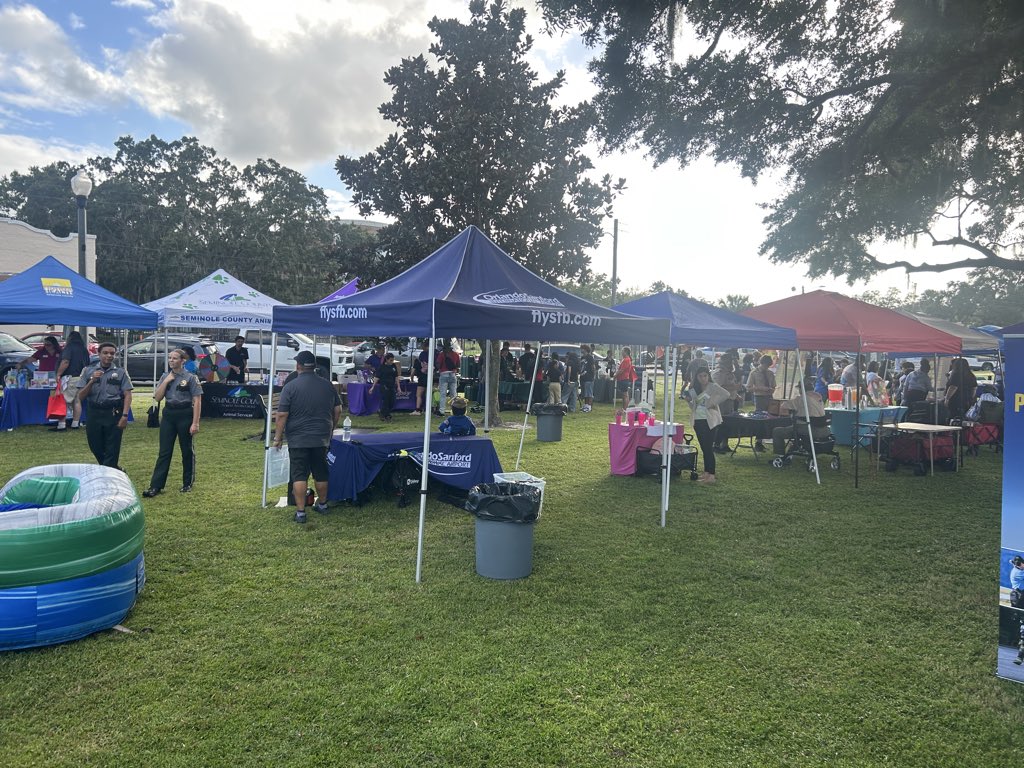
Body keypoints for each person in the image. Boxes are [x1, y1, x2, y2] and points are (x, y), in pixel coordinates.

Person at [273, 350, 342, 524]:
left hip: (298, 438)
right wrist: (331, 428)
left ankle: (301, 512)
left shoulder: (290, 386)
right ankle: (323, 504)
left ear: (298, 366)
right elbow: (338, 410)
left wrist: (278, 437)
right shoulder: (328, 385)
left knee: (299, 474)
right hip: (321, 437)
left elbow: (281, 415)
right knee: (321, 472)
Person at [142, 348, 203, 497]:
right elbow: (157, 398)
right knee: (164, 451)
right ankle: (156, 486)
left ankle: (187, 483)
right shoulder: (165, 376)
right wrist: (167, 380)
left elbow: (197, 400)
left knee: (186, 450)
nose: (171, 360)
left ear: (183, 361)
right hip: (169, 414)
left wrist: (195, 423)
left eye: (175, 358)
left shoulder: (190, 377)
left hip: (185, 414)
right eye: (170, 358)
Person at [78, 342, 133, 469]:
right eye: (105, 353)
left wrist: (125, 415)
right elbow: (80, 396)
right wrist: (92, 381)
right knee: (95, 445)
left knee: (112, 446)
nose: (109, 356)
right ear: (99, 354)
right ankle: (114, 468)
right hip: (94, 411)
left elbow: (128, 395)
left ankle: (109, 472)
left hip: (113, 411)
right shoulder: (88, 371)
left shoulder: (120, 372)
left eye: (112, 353)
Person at [684, 369, 730, 484]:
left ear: (708, 376)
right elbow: (693, 407)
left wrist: (713, 402)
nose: (703, 378)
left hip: (710, 420)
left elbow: (726, 394)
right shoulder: (694, 389)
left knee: (708, 448)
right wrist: (688, 401)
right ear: (696, 377)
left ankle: (712, 474)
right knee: (704, 448)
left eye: (705, 376)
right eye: (700, 376)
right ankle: (706, 472)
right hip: (698, 420)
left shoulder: (713, 386)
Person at [772, 391, 829, 455]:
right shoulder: (819, 398)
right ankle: (794, 448)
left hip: (810, 430)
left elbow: (784, 406)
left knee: (777, 431)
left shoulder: (801, 399)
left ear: (801, 389)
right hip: (824, 430)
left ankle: (780, 455)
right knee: (799, 428)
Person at [54, 331, 89, 431]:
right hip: (82, 377)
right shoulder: (84, 349)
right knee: (77, 401)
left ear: (70, 338)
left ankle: (62, 424)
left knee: (63, 401)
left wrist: (59, 374)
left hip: (70, 378)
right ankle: (75, 423)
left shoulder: (69, 348)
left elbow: (65, 361)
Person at [712, 353, 741, 452]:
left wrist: (736, 395)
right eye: (730, 361)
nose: (731, 364)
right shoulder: (719, 373)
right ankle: (716, 445)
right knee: (721, 424)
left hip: (730, 401)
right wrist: (733, 388)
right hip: (722, 402)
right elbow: (716, 388)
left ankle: (724, 444)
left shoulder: (729, 373)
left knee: (728, 424)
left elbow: (731, 385)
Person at [370, 351, 400, 421]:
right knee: (386, 401)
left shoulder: (393, 366)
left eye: (393, 360)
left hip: (392, 386)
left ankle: (382, 412)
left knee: (392, 401)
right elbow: (377, 377)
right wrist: (372, 387)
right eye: (390, 360)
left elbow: (396, 377)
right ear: (386, 359)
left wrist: (398, 386)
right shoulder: (382, 367)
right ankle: (387, 415)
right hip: (384, 386)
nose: (392, 362)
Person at [435, 340, 460, 415]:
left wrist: (438, 369)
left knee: (443, 394)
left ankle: (442, 411)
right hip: (453, 374)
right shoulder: (456, 354)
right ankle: (456, 410)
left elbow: (438, 364)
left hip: (444, 374)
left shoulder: (442, 354)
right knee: (453, 394)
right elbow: (458, 365)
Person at [412, 340, 430, 415]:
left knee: (419, 394)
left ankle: (418, 409)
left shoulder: (423, 354)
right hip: (433, 376)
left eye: (422, 345)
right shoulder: (435, 353)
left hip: (423, 377)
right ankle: (429, 409)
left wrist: (412, 377)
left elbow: (421, 365)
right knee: (429, 394)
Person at [579, 344, 597, 412]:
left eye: (582, 349)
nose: (581, 350)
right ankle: (585, 405)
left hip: (589, 377)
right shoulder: (582, 358)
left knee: (589, 393)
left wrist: (593, 375)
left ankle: (589, 406)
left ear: (585, 349)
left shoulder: (590, 357)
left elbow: (593, 367)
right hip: (583, 377)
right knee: (584, 393)